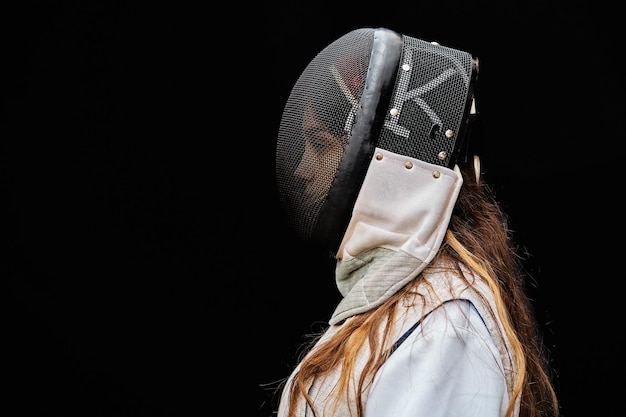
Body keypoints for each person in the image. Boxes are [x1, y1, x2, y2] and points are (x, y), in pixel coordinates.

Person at [273, 27, 559, 417]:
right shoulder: (392, 308)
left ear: (387, 158)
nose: (303, 168)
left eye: (320, 144)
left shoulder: (445, 325)